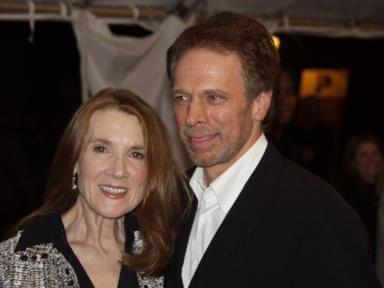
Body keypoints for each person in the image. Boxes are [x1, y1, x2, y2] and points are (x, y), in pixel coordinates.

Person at [164, 11, 381, 288]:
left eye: (214, 97)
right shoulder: (173, 201)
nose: (192, 116)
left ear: (260, 103)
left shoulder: (318, 215)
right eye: (182, 97)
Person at [0, 88, 188, 287]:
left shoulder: (164, 257)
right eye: (101, 149)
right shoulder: (10, 265)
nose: (118, 170)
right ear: (74, 161)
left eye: (136, 154)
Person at [339, 134, 383, 256]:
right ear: (353, 162)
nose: (371, 159)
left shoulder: (379, 192)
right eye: (364, 155)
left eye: (375, 153)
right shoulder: (349, 198)